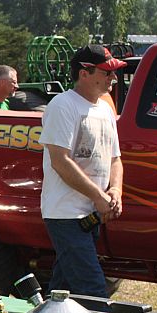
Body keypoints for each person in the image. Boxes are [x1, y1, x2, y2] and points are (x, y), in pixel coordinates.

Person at [40, 44, 126, 297]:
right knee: (92, 289)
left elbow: (115, 159)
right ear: (84, 73)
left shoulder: (105, 110)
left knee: (62, 290)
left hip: (91, 214)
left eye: (114, 72)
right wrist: (99, 197)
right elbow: (60, 161)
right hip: (65, 214)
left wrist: (116, 190)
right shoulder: (62, 105)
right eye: (107, 72)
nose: (114, 77)